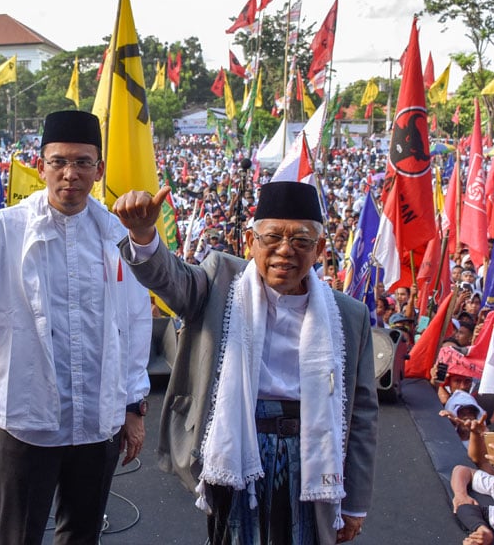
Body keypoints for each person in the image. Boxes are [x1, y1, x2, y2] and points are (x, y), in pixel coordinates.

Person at [0, 109, 152, 544]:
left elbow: (136, 324)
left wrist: (132, 406)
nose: (70, 174)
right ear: (40, 164)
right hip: (29, 422)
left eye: (83, 162)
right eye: (59, 161)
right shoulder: (1, 230)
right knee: (19, 534)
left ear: (99, 169)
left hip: (95, 417)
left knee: (81, 534)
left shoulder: (115, 234)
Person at [113, 180, 378, 544]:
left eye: (300, 240)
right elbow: (170, 280)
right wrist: (143, 234)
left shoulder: (349, 315)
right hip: (239, 448)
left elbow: (362, 415)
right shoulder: (220, 280)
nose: (284, 251)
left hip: (312, 457)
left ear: (318, 248)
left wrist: (355, 505)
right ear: (251, 240)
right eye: (272, 238)